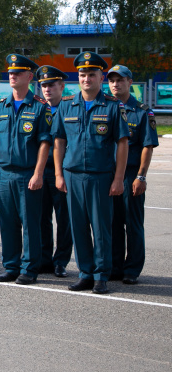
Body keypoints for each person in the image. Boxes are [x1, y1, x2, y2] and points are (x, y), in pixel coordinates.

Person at [52, 51, 129, 295]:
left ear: (101, 77)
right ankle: (85, 273)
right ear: (78, 77)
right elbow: (59, 142)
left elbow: (123, 143)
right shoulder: (66, 105)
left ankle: (101, 275)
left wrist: (118, 179)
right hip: (73, 175)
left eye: (92, 74)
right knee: (78, 227)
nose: (87, 79)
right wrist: (58, 174)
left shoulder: (113, 106)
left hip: (100, 176)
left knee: (101, 228)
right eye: (83, 74)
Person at [0, 54, 53, 285]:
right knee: (8, 222)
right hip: (4, 173)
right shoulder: (3, 106)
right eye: (10, 73)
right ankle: (11, 266)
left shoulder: (39, 107)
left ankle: (29, 267)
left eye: (18, 73)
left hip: (27, 174)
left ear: (29, 76)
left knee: (30, 224)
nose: (12, 76)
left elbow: (45, 142)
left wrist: (38, 173)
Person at [107, 64, 158, 284]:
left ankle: (132, 269)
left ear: (130, 82)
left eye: (120, 80)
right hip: (109, 174)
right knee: (113, 223)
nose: (116, 84)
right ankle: (116, 266)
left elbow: (148, 145)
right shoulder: (106, 108)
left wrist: (141, 176)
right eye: (112, 80)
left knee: (133, 224)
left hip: (130, 175)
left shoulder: (142, 111)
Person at [36, 65, 73, 278]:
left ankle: (61, 262)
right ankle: (44, 259)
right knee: (41, 217)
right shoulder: (39, 108)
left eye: (51, 85)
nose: (47, 89)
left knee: (64, 219)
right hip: (41, 170)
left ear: (62, 86)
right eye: (44, 85)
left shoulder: (70, 108)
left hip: (64, 172)